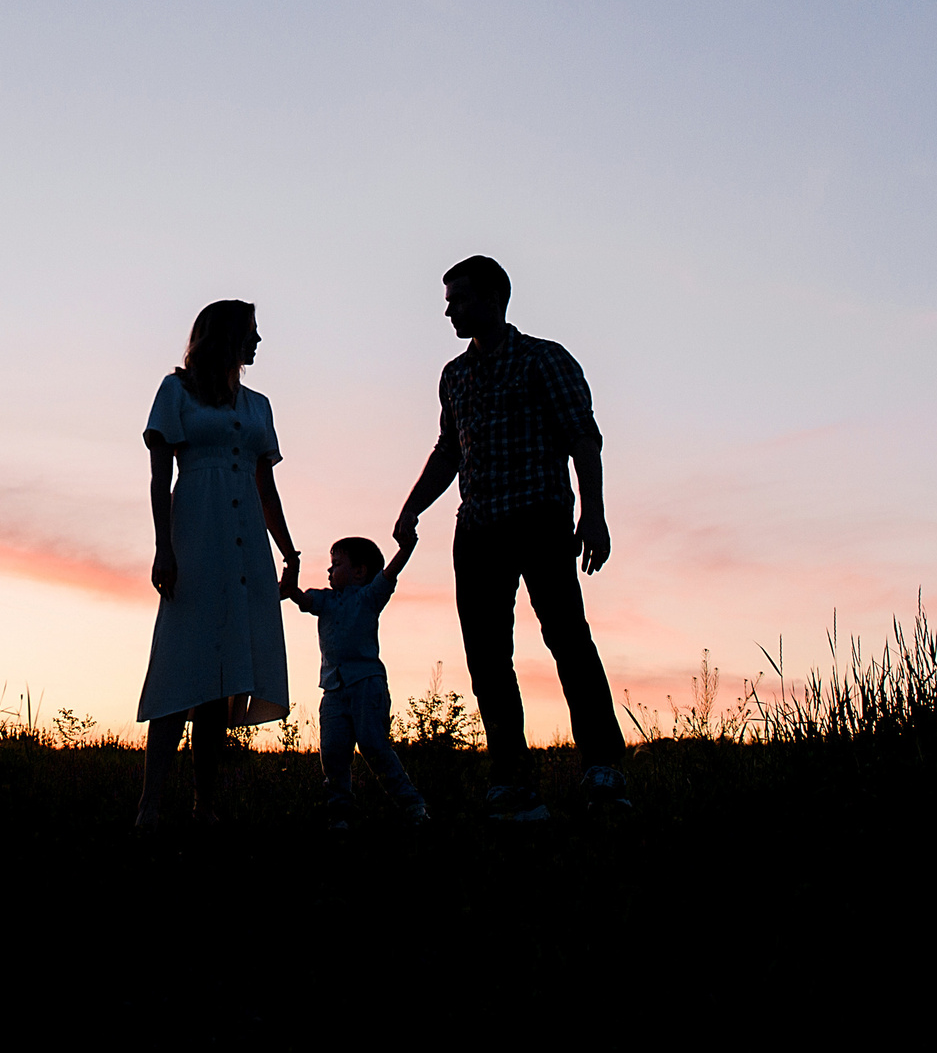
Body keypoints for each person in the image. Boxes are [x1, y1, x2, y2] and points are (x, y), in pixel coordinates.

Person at [393, 256, 628, 821]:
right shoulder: (455, 375)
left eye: (459, 298)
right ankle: (512, 781)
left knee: (568, 640)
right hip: (477, 532)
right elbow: (449, 450)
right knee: (488, 658)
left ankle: (603, 771)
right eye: (448, 300)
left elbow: (583, 440)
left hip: (541, 520)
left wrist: (593, 516)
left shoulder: (545, 360)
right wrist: (412, 507)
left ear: (495, 298)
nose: (449, 309)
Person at [136, 299, 299, 827]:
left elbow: (265, 487)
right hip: (195, 536)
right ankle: (150, 806)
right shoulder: (175, 391)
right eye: (250, 332)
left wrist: (288, 551)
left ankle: (205, 805)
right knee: (179, 665)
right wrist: (164, 546)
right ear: (224, 335)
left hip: (247, 544)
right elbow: (161, 478)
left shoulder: (258, 406)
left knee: (223, 678)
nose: (257, 342)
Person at [282, 534, 428, 827]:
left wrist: (406, 547)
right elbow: (301, 597)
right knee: (334, 750)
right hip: (333, 688)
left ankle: (413, 806)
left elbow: (390, 573)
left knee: (374, 745)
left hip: (366, 684)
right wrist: (288, 584)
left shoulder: (369, 596)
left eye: (336, 564)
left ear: (360, 571)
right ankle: (340, 810)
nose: (329, 570)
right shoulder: (325, 599)